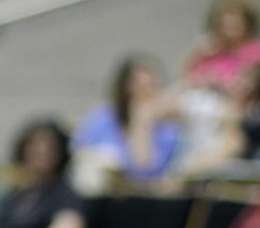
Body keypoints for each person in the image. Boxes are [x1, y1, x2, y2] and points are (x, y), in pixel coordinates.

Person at [70, 54, 184, 192]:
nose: (144, 93)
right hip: (99, 195)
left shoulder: (167, 130)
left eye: (151, 85)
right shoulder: (103, 118)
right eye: (138, 85)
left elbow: (144, 169)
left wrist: (143, 121)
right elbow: (80, 150)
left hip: (143, 197)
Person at [183, 0, 260, 96]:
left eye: (235, 24)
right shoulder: (212, 50)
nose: (229, 28)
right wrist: (198, 53)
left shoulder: (257, 50)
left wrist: (217, 84)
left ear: (248, 24)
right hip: (200, 101)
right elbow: (187, 79)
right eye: (225, 25)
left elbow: (248, 85)